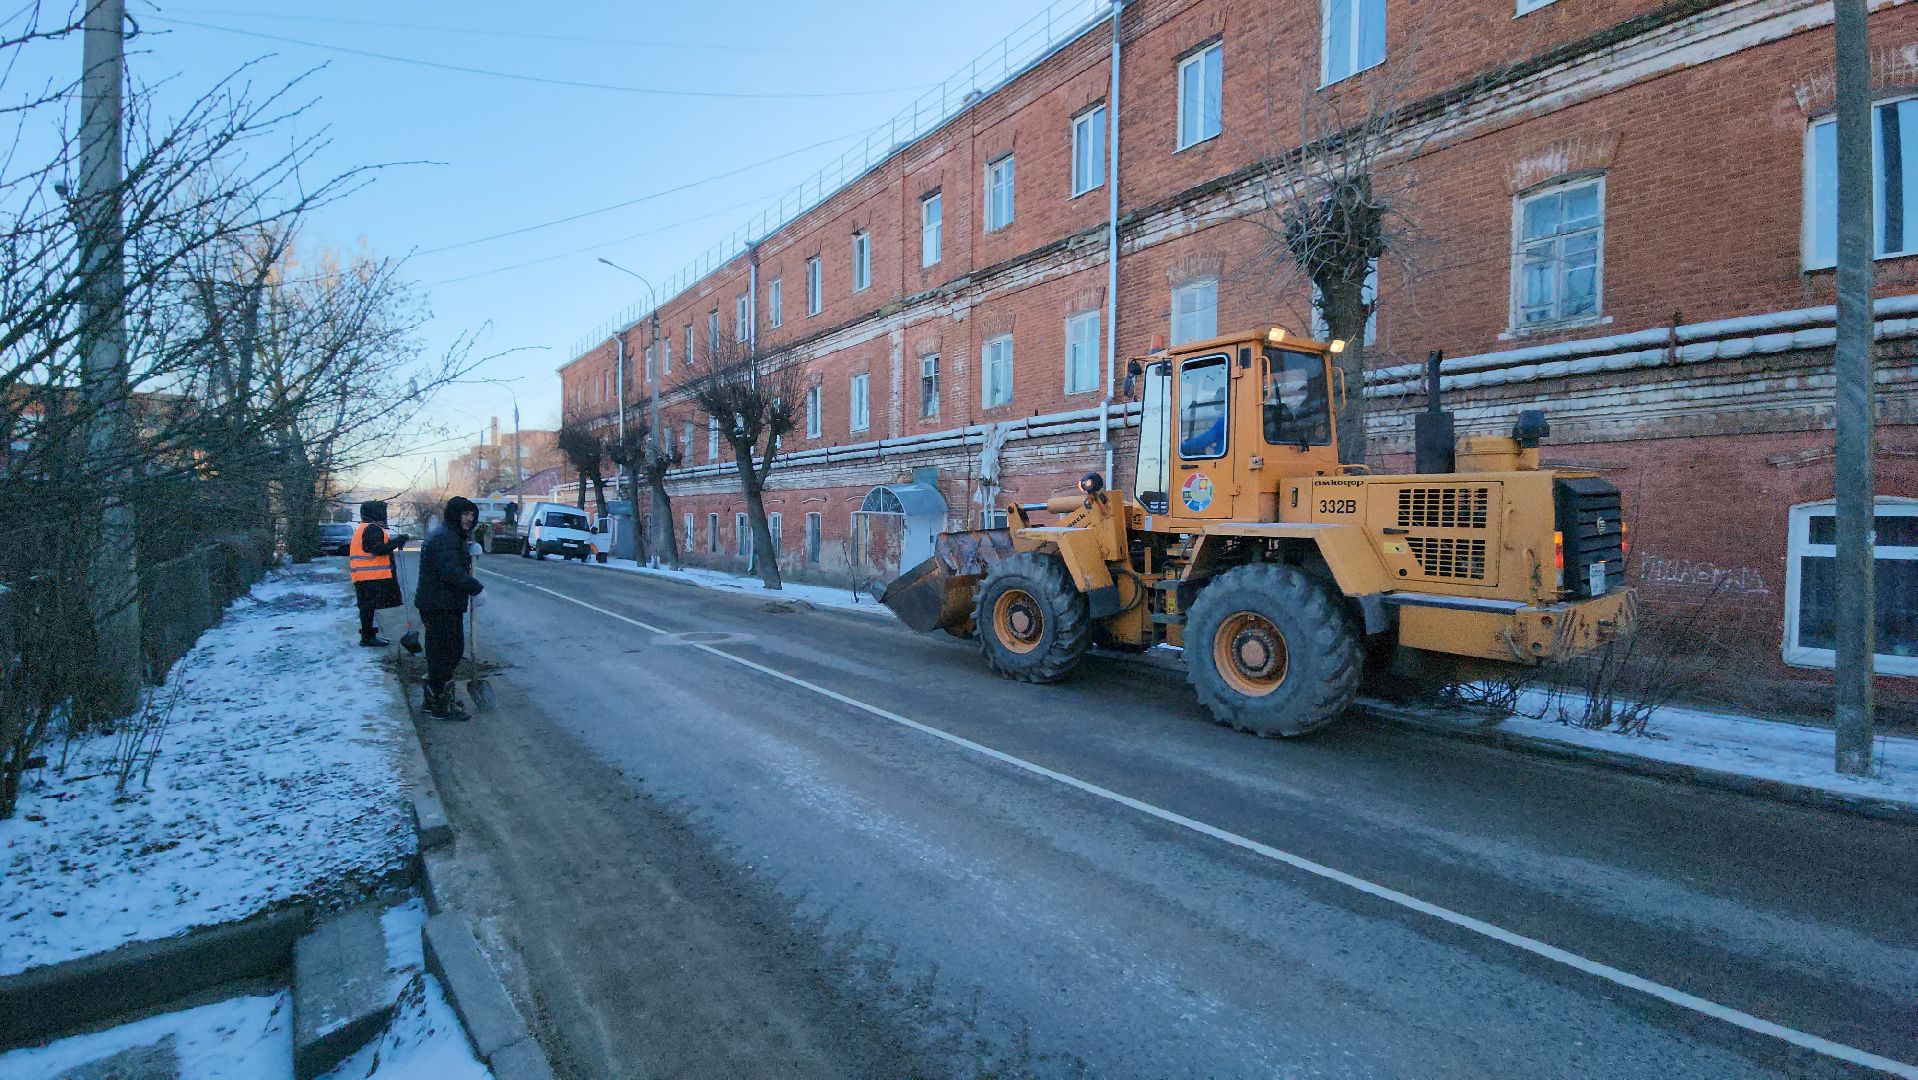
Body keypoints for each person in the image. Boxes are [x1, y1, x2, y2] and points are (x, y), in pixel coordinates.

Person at [415, 496, 485, 720]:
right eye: (465, 514)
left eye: (472, 516)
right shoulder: (446, 538)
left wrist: (467, 549)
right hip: (438, 605)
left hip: (443, 604)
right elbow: (450, 572)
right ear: (454, 515)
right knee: (445, 654)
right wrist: (476, 588)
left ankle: (434, 699)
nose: (469, 519)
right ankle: (440, 706)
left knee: (445, 652)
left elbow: (453, 564)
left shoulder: (451, 535)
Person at [349, 500, 409, 647]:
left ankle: (368, 635)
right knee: (368, 608)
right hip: (371, 576)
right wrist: (398, 541)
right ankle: (368, 638)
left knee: (367, 608)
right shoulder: (372, 528)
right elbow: (377, 549)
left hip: (363, 576)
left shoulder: (363, 528)